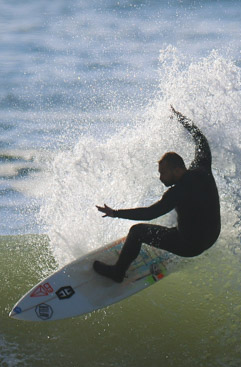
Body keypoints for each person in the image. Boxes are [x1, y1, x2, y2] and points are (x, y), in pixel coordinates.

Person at [93, 106, 220, 283]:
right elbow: (201, 140)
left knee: (137, 232)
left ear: (176, 169)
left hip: (190, 246)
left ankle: (118, 272)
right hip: (212, 237)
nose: (161, 178)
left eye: (163, 173)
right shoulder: (202, 168)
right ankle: (175, 235)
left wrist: (115, 213)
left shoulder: (177, 192)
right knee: (184, 223)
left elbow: (149, 213)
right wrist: (181, 119)